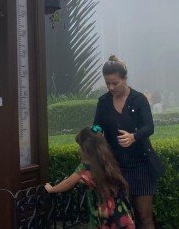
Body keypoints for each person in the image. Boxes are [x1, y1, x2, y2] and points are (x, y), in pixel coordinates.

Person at [93, 55, 161, 228]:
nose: (111, 87)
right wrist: (97, 132)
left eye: (115, 82)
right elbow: (96, 126)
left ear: (125, 78)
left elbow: (149, 127)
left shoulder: (138, 99)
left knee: (144, 216)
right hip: (115, 168)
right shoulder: (103, 102)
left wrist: (133, 137)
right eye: (107, 83)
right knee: (122, 217)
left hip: (141, 166)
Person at [44, 126, 135, 229]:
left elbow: (68, 183)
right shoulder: (107, 160)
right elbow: (99, 179)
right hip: (119, 209)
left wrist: (52, 189)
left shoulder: (85, 166)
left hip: (102, 211)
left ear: (85, 149)